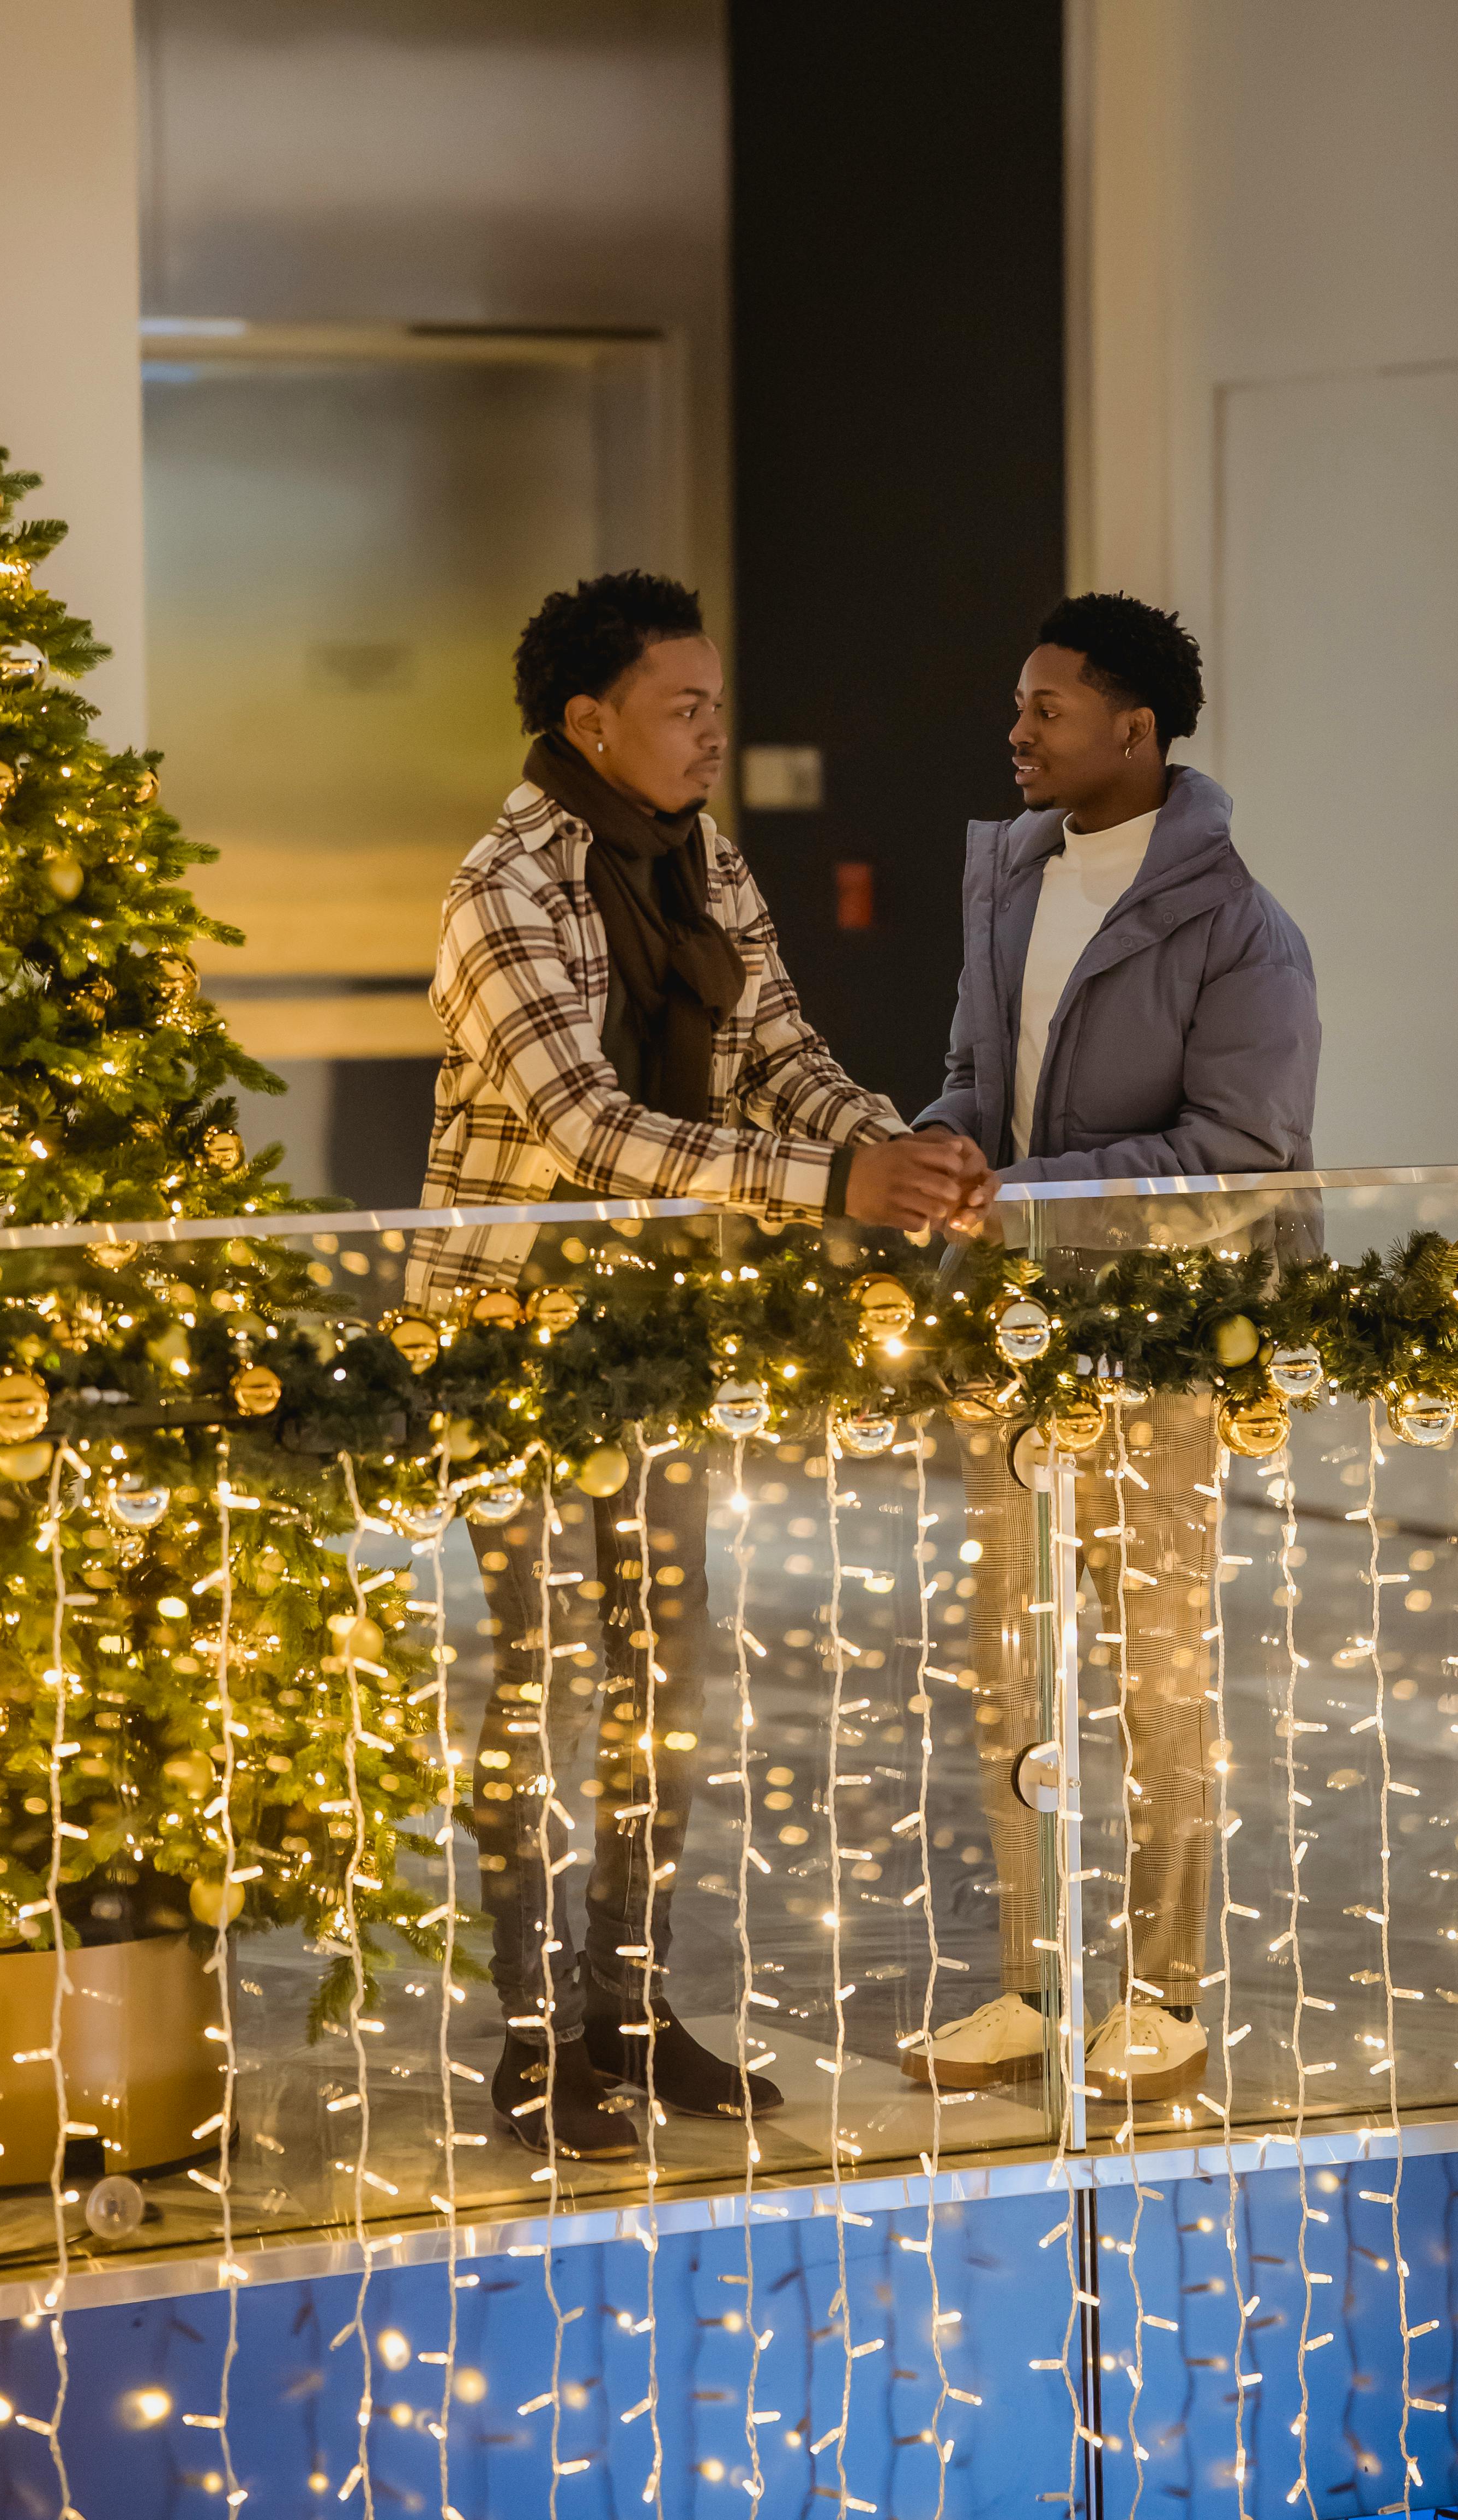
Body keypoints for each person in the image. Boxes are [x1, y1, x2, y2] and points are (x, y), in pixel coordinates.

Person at [406, 570, 990, 2159]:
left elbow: (784, 1054)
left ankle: (631, 2007)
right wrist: (828, 1189)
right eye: (684, 707)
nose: (712, 733)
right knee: (531, 1685)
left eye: (717, 704)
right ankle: (530, 2040)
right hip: (509, 1342)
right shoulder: (502, 885)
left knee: (661, 1678)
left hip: (658, 1334)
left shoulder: (701, 861)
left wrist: (897, 1149)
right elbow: (581, 1125)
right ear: (588, 722)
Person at [905, 591, 1319, 2105]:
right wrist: (932, 1153)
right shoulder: (1008, 875)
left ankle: (1162, 1997)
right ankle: (1026, 1981)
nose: (1016, 731)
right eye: (1018, 706)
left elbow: (1243, 1150)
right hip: (1006, 1341)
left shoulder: (1239, 929)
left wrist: (1019, 1197)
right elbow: (973, 1076)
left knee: (1155, 1676)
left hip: (1159, 1345)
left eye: (1048, 709)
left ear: (1133, 732)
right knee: (1007, 1670)